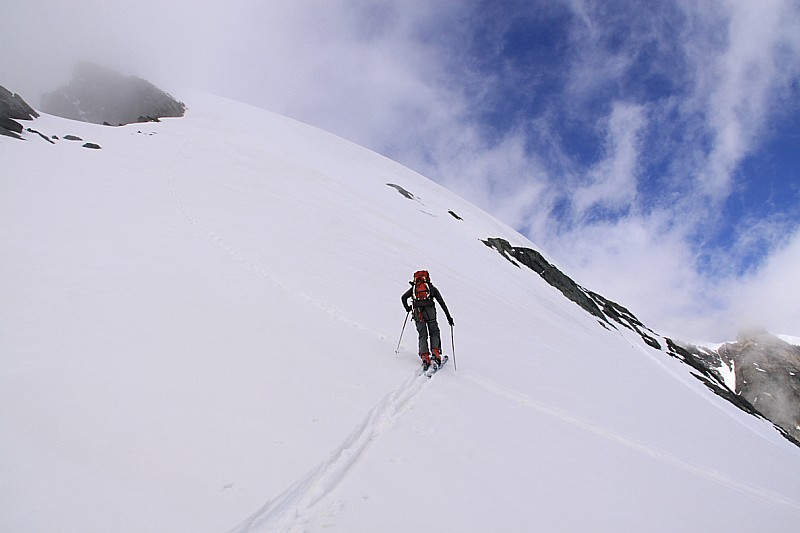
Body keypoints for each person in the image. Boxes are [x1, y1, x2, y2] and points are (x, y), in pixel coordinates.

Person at [401, 270, 454, 371]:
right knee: (434, 331)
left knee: (422, 334)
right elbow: (442, 303)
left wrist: (407, 308)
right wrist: (449, 317)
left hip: (418, 313)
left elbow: (403, 298)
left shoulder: (414, 289)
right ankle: (435, 352)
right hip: (430, 312)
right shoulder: (431, 288)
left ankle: (425, 356)